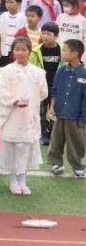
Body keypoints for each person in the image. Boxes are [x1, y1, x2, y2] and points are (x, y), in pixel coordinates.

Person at [0, 36, 47, 194]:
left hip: (29, 115)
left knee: (26, 146)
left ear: (30, 51)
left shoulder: (38, 72)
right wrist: (13, 101)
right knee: (12, 147)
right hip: (12, 114)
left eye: (23, 49)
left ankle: (23, 179)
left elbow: (43, 92)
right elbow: (1, 92)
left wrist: (31, 101)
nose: (20, 53)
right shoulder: (6, 70)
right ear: (12, 51)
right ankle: (13, 180)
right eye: (17, 49)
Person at [47, 38, 86, 178]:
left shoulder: (84, 73)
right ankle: (56, 163)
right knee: (56, 139)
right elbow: (55, 90)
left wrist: (83, 118)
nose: (62, 52)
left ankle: (77, 166)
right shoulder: (61, 70)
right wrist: (52, 107)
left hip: (76, 116)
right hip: (59, 113)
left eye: (64, 50)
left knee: (77, 142)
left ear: (75, 53)